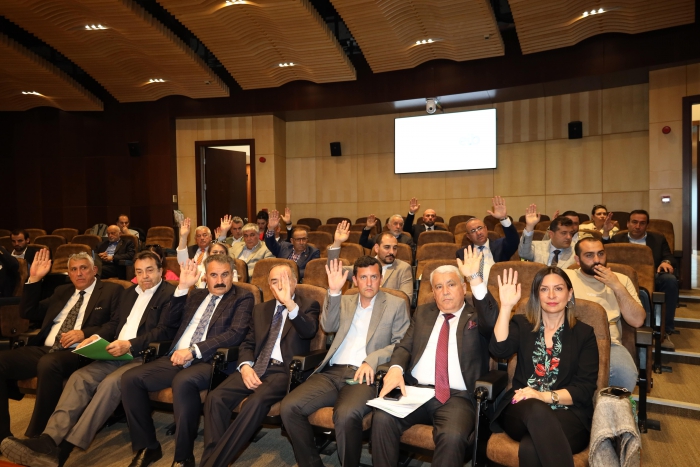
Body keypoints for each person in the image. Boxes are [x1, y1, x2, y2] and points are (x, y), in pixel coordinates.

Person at [0, 251, 177, 467]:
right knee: (79, 378)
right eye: (139, 272)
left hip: (143, 356)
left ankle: (63, 449)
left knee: (110, 384)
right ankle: (49, 439)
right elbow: (114, 324)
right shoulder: (129, 293)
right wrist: (95, 337)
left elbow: (163, 331)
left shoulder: (170, 294)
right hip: (114, 352)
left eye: (150, 270)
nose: (145, 276)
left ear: (161, 271)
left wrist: (129, 344)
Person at [120, 255, 254, 467]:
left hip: (211, 361)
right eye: (214, 275)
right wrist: (182, 288)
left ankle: (183, 457)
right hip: (176, 357)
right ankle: (148, 446)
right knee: (130, 379)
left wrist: (194, 351)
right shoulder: (195, 295)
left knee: (183, 381)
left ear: (232, 275)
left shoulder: (242, 297)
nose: (220, 280)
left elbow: (235, 334)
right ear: (205, 277)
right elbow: (169, 323)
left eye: (225, 274)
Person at [372, 248, 498, 467]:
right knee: (382, 418)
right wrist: (395, 369)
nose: (445, 291)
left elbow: (492, 319)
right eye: (439, 287)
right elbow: (404, 346)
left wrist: (475, 279)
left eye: (451, 284)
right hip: (415, 391)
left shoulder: (476, 316)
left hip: (457, 397)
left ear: (464, 288)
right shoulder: (423, 313)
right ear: (433, 292)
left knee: (452, 436)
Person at [280, 256, 410, 467]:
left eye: (374, 277)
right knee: (289, 407)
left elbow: (401, 344)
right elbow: (328, 326)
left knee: (346, 415)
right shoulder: (344, 300)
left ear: (381, 278)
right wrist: (334, 292)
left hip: (363, 375)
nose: (369, 283)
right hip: (332, 372)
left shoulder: (396, 304)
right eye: (363, 277)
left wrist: (372, 360)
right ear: (355, 280)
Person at [200, 264, 320, 467]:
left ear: (294, 282)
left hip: (284, 371)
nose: (279, 285)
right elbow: (248, 343)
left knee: (254, 403)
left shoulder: (308, 305)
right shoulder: (261, 309)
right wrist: (245, 366)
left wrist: (289, 304)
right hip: (256, 367)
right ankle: (212, 460)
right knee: (215, 398)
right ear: (269, 286)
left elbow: (308, 331)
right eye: (274, 281)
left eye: (284, 280)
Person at [0, 250, 122, 441]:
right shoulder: (62, 291)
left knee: (49, 363)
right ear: (69, 273)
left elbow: (115, 324)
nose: (79, 273)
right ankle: (2, 436)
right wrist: (34, 279)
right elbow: (29, 312)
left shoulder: (111, 291)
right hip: (47, 348)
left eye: (84, 268)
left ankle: (38, 436)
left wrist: (84, 333)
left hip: (80, 351)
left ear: (94, 270)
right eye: (73, 269)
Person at [484, 266, 599, 467]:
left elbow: (584, 389)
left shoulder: (584, 334)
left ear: (569, 293)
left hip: (569, 413)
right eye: (544, 289)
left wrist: (543, 396)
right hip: (522, 408)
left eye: (558, 289)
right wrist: (506, 307)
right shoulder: (522, 324)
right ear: (537, 295)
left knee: (531, 448)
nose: (551, 295)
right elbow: (499, 350)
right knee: (536, 409)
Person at [566, 238, 644, 391]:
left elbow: (637, 320)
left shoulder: (621, 279)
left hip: (610, 343)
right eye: (589, 255)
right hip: (570, 338)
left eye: (600, 254)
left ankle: (608, 406)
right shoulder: (565, 277)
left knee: (625, 374)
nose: (597, 260)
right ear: (577, 260)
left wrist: (616, 286)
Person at [602, 209, 678, 349]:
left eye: (642, 223)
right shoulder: (618, 238)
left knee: (670, 280)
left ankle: (665, 330)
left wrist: (666, 262)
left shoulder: (658, 239)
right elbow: (604, 251)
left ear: (647, 225)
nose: (637, 226)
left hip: (651, 277)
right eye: (634, 222)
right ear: (628, 223)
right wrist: (606, 232)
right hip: (622, 278)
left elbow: (669, 256)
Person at [330, 221, 413, 298]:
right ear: (376, 248)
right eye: (387, 247)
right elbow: (333, 270)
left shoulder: (403, 268)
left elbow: (406, 298)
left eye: (395, 248)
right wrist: (337, 243)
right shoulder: (364, 264)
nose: (392, 252)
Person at [455, 196, 519, 283]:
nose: (478, 233)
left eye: (480, 228)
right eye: (473, 231)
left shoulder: (500, 245)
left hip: (497, 286)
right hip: (473, 287)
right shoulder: (462, 253)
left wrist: (503, 218)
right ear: (468, 236)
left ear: (486, 229)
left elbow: (514, 240)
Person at [265, 209, 320, 280]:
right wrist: (271, 229)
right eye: (298, 239)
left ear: (307, 240)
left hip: (298, 282)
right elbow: (271, 244)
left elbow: (311, 271)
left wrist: (288, 274)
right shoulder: (284, 247)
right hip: (279, 279)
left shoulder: (313, 252)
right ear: (292, 241)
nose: (301, 242)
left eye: (304, 239)